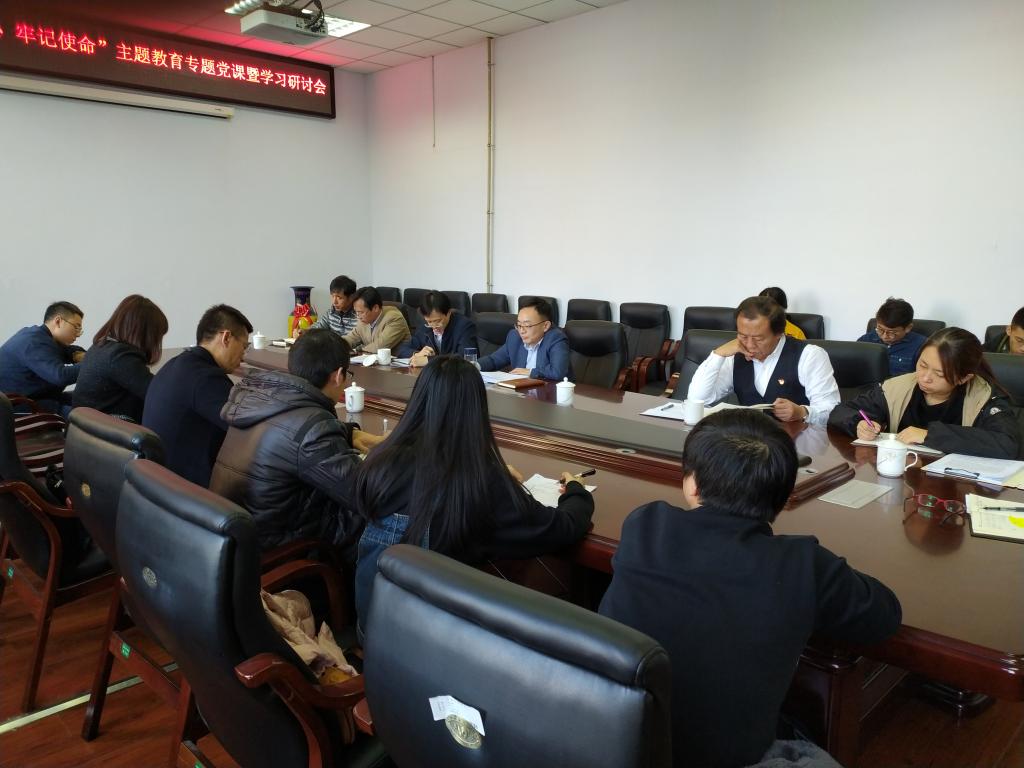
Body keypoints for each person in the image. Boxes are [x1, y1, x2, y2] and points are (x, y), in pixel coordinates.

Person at [599, 409, 901, 768]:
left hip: (614, 741)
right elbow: (885, 614)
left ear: (691, 484)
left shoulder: (646, 524)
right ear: (783, 499)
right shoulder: (804, 564)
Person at [353, 355, 594, 625]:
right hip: (433, 640)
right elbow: (560, 529)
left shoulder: (381, 461)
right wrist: (576, 490)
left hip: (373, 626)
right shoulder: (479, 481)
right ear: (476, 408)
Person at [210, 328, 381, 559]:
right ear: (339, 375)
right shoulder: (313, 427)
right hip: (282, 551)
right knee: (388, 514)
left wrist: (347, 433)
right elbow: (364, 493)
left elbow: (290, 433)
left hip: (241, 540)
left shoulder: (257, 400)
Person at [829, 327, 1019, 458]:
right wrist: (858, 424)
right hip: (903, 482)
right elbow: (840, 411)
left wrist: (929, 435)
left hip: (956, 489)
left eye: (939, 374)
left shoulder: (985, 398)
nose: (925, 377)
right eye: (923, 365)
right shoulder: (899, 387)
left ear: (963, 378)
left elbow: (1007, 444)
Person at [142, 304, 252, 487]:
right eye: (244, 346)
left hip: (156, 483)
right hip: (184, 490)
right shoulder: (205, 378)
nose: (243, 357)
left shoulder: (176, 364)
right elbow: (245, 428)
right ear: (226, 337)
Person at [687, 296, 840, 425]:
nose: (749, 345)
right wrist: (718, 354)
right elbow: (697, 399)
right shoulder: (735, 354)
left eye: (758, 339)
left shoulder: (810, 356)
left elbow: (832, 410)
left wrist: (803, 412)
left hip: (798, 442)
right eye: (743, 336)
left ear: (779, 333)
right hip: (749, 441)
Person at [72, 295, 168, 423]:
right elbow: (158, 394)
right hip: (108, 432)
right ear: (145, 333)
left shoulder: (101, 346)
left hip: (85, 429)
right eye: (157, 335)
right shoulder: (120, 356)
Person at [0, 301, 86, 416]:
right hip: (16, 406)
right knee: (83, 418)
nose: (78, 334)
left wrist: (77, 354)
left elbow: (66, 350)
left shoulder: (40, 336)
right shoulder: (33, 342)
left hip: (35, 397)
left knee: (88, 400)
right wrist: (92, 363)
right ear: (58, 321)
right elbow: (61, 376)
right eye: (76, 327)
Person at [477, 298, 572, 381]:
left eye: (527, 325)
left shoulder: (556, 339)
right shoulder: (514, 337)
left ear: (545, 326)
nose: (522, 331)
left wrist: (530, 372)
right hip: (521, 392)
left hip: (551, 393)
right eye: (519, 325)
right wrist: (474, 366)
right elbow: (494, 360)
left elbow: (557, 372)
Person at [397, 290, 478, 366]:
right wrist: (417, 354)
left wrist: (429, 360)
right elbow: (402, 350)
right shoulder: (425, 326)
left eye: (438, 321)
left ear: (449, 313)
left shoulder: (464, 326)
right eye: (429, 321)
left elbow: (466, 358)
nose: (434, 326)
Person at [857, 297, 927, 375]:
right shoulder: (866, 340)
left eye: (892, 332)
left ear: (908, 328)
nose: (884, 336)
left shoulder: (923, 346)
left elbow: (923, 376)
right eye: (880, 329)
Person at [341, 286, 411, 355]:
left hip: (399, 360)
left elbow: (379, 346)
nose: (358, 316)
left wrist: (358, 350)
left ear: (375, 308)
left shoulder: (394, 318)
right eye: (356, 312)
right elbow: (351, 338)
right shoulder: (363, 319)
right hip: (373, 360)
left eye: (361, 312)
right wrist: (337, 345)